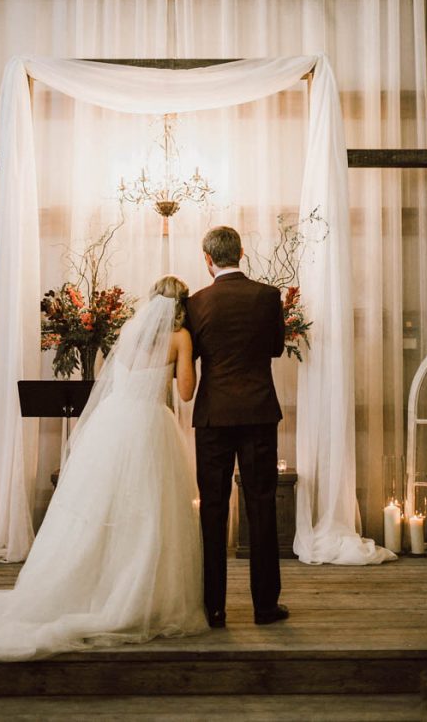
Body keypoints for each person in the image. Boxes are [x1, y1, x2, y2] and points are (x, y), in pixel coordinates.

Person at [0, 276, 207, 660]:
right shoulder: (180, 337)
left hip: (113, 424)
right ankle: (137, 593)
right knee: (148, 512)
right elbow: (185, 391)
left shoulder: (131, 330)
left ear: (151, 302)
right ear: (183, 306)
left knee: (98, 510)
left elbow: (117, 378)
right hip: (151, 425)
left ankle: (87, 585)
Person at [186, 226, 288, 628]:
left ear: (207, 259)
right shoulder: (267, 297)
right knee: (261, 506)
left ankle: (214, 608)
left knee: (212, 509)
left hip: (213, 415)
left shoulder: (196, 303)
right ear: (241, 253)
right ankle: (265, 607)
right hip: (259, 412)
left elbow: (190, 358)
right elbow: (277, 348)